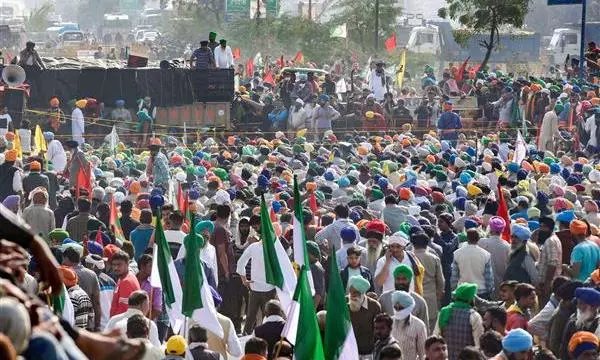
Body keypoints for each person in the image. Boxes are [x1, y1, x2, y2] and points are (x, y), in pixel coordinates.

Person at [236, 222, 277, 335]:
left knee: (250, 317)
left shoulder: (253, 247)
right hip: (269, 288)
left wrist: (244, 280)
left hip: (254, 288)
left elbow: (240, 264)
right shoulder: (276, 249)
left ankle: (246, 339)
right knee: (267, 317)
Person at [434, 283, 484, 360]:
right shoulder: (474, 316)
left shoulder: (443, 312)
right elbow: (479, 345)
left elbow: (436, 337)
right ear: (470, 299)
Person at [411, 231, 444, 331]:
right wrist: (439, 294)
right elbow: (440, 280)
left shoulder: (408, 258)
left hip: (413, 297)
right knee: (430, 327)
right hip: (431, 297)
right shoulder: (434, 258)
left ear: (413, 244)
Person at [62, 246, 102, 331]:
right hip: (88, 322)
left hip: (72, 324)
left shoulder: (64, 275)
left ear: (66, 258)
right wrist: (97, 325)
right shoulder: (92, 274)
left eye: (63, 259)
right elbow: (97, 302)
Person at [379, 264, 429, 332]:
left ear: (410, 280)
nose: (400, 282)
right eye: (398, 279)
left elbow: (424, 329)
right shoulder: (384, 299)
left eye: (404, 279)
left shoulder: (419, 302)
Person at [451, 229, 494, 299]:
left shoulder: (457, 253)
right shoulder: (486, 254)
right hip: (480, 291)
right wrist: (489, 291)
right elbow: (488, 277)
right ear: (478, 239)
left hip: (462, 291)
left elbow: (454, 276)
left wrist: (454, 290)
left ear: (467, 238)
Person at [560, 287, 600, 359]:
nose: (578, 306)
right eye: (577, 303)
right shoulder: (573, 322)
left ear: (594, 307)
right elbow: (564, 350)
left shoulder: (598, 326)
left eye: (581, 303)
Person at [348, 275, 382, 356]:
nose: (352, 295)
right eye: (351, 292)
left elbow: (378, 332)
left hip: (368, 352)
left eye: (356, 293)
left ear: (363, 293)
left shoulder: (374, 306)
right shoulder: (345, 304)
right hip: (349, 352)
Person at [478, 217, 511, 295]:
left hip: (483, 284)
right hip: (500, 286)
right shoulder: (507, 246)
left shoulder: (482, 242)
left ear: (490, 229)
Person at [390, 290, 427, 360]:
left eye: (400, 308)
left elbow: (423, 354)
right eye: (395, 308)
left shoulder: (419, 326)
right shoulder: (389, 323)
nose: (398, 311)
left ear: (408, 307)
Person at [83, 253, 115, 330]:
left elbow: (96, 304)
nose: (84, 266)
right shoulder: (111, 281)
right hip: (110, 325)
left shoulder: (90, 281)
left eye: (86, 264)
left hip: (97, 326)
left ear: (92, 266)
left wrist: (96, 327)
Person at [58, 265, 95, 330]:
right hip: (83, 333)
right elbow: (91, 316)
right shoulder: (82, 292)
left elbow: (69, 320)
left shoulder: (70, 296)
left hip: (75, 334)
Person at [536, 216, 563, 303]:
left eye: (543, 227)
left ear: (549, 228)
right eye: (540, 226)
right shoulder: (551, 239)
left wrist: (547, 284)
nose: (541, 229)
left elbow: (552, 263)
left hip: (548, 283)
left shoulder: (550, 241)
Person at [110, 250, 141, 316]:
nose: (116, 268)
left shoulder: (126, 282)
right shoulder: (122, 278)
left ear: (127, 264)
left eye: (119, 265)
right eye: (114, 265)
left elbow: (124, 311)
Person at [136, 254, 162, 321]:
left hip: (147, 323)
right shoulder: (131, 280)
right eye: (150, 266)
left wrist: (144, 321)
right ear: (142, 266)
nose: (153, 269)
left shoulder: (155, 284)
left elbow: (157, 309)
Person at [307, 241, 326, 308]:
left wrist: (312, 311)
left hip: (316, 305)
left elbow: (318, 293)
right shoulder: (310, 265)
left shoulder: (316, 268)